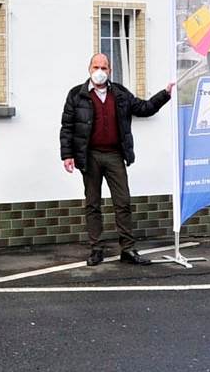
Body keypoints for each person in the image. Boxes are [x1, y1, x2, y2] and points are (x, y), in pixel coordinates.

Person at [59, 53, 173, 266]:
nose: (100, 71)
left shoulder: (119, 93)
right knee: (93, 204)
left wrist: (165, 94)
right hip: (89, 155)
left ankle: (127, 249)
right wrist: (67, 155)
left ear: (110, 70)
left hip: (114, 155)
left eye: (104, 67)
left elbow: (143, 108)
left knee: (123, 202)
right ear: (89, 69)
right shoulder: (76, 95)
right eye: (96, 67)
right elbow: (67, 127)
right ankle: (96, 249)